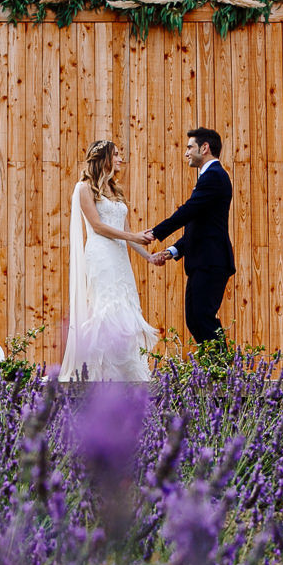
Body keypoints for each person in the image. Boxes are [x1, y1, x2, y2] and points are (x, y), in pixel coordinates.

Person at [59, 140, 159, 381]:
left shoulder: (116, 190)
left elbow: (125, 230)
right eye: (116, 154)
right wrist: (131, 236)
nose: (120, 159)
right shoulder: (84, 188)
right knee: (106, 309)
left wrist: (148, 256)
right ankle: (100, 375)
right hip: (101, 255)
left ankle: (125, 373)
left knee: (125, 308)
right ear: (103, 158)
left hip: (119, 258)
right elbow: (98, 226)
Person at [141, 127, 235, 346]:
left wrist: (156, 232)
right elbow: (200, 223)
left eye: (189, 147)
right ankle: (218, 372)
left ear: (205, 147)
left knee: (202, 318)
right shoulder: (210, 177)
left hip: (211, 261)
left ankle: (223, 373)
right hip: (203, 261)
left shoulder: (214, 176)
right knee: (195, 319)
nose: (186, 153)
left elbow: (188, 211)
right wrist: (174, 250)